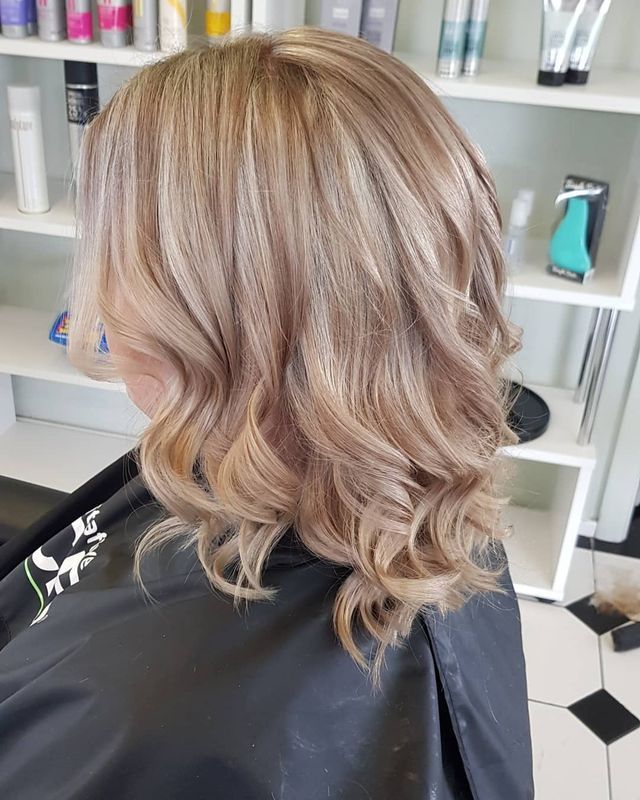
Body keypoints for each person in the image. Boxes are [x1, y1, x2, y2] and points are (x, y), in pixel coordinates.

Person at [0, 29, 533, 799]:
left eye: (114, 252)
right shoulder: (438, 502)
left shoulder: (157, 724)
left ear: (209, 319)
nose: (98, 288)